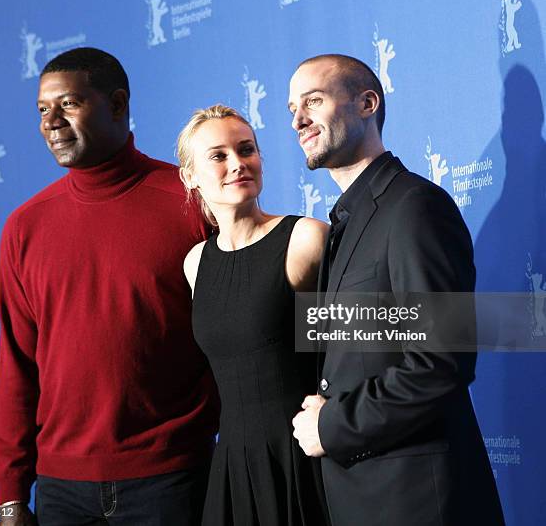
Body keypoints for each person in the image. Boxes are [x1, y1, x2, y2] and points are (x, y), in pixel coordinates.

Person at [0, 48, 219, 525]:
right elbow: (17, 364)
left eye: (68, 104)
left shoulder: (192, 202)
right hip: (61, 491)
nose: (51, 122)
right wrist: (11, 493)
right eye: (41, 110)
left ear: (117, 105)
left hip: (174, 478)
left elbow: (242, 332)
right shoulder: (24, 227)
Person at [289, 54, 504, 525]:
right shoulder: (346, 223)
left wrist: (332, 425)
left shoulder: (415, 208)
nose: (298, 119)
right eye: (292, 109)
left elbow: (440, 363)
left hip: (417, 502)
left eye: (313, 101)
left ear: (367, 103)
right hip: (363, 497)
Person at [177, 105, 330, 525]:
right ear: (190, 175)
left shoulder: (304, 239)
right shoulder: (196, 263)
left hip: (303, 454)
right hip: (233, 464)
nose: (238, 163)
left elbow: (351, 349)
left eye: (247, 149)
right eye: (218, 155)